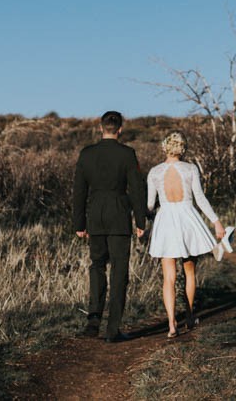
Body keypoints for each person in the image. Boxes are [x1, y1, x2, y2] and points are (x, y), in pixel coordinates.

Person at [147, 130, 234, 337]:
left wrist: (144, 220)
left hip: (166, 219)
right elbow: (200, 199)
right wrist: (217, 223)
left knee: (168, 277)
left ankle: (171, 325)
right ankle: (189, 316)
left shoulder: (155, 172)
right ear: (182, 148)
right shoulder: (190, 169)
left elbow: (150, 205)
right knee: (190, 272)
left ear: (165, 147)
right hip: (188, 218)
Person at [73, 110, 147, 342]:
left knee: (96, 266)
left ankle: (93, 321)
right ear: (120, 129)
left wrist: (79, 222)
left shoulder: (86, 154)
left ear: (100, 127)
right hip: (119, 217)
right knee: (119, 271)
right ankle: (112, 330)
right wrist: (141, 220)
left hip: (95, 215)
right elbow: (136, 189)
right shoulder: (127, 154)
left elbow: (79, 191)